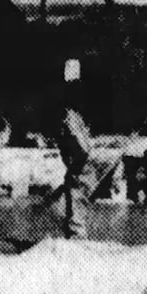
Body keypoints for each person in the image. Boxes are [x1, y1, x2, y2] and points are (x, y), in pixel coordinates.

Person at [52, 94, 93, 239]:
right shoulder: (71, 117)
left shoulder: (70, 118)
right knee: (71, 209)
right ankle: (75, 238)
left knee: (75, 215)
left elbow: (83, 148)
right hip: (78, 169)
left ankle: (77, 240)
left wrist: (76, 167)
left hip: (80, 169)